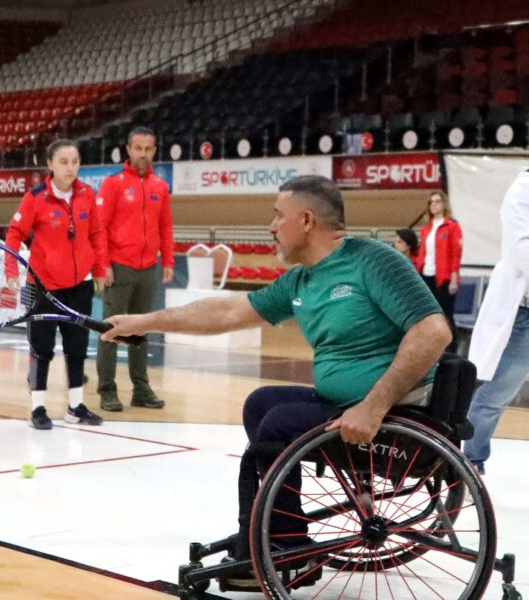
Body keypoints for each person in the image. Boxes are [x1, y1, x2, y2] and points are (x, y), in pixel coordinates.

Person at [101, 175, 450, 587]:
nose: (271, 227)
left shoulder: (372, 260)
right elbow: (228, 312)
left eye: (277, 216)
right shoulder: (301, 280)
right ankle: (275, 531)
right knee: (261, 404)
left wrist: (374, 406)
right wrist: (146, 322)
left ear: (306, 221)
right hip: (348, 407)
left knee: (279, 424)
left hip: (397, 413)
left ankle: (288, 549)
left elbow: (434, 331)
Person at [5, 139, 109, 430]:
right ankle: (38, 409)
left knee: (77, 347)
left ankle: (76, 407)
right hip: (43, 287)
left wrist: (99, 268)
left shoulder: (87, 194)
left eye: (75, 162)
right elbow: (14, 233)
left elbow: (96, 234)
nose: (70, 168)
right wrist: (11, 270)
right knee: (42, 348)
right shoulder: (35, 198)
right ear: (50, 164)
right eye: (63, 162)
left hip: (80, 285)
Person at [95, 126, 174, 412]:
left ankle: (141, 388)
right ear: (128, 150)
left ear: (154, 151)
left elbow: (165, 226)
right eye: (138, 148)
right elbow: (99, 227)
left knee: (142, 329)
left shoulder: (160, 187)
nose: (143, 154)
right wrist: (103, 264)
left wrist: (168, 260)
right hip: (119, 267)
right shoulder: (112, 184)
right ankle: (107, 389)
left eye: (148, 149)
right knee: (111, 330)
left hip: (148, 268)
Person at [465, 171, 529, 476]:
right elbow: (521, 250)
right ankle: (469, 462)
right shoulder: (521, 191)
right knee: (495, 395)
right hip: (523, 311)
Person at [415, 190, 463, 350]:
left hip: (444, 277)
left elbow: (456, 254)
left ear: (443, 204)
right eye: (431, 202)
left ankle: (451, 351)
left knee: (446, 315)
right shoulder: (426, 229)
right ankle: (433, 349)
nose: (434, 205)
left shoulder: (452, 226)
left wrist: (454, 278)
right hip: (426, 275)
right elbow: (422, 253)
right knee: (429, 315)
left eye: (437, 201)